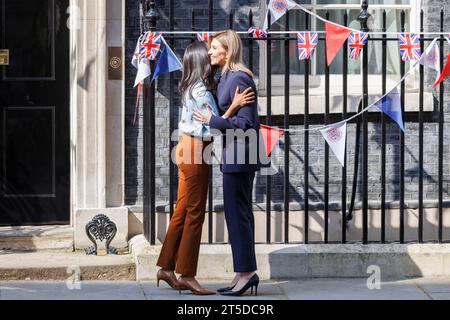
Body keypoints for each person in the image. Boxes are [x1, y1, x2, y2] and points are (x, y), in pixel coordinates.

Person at [156, 41, 255, 296]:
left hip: (185, 147)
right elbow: (213, 123)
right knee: (195, 213)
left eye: (214, 50)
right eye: (207, 53)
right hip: (196, 150)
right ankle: (187, 275)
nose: (210, 55)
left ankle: (166, 267)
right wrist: (234, 106)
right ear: (200, 61)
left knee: (181, 209)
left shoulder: (190, 85)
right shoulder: (200, 91)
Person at [193, 30, 261, 297]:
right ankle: (241, 272)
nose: (209, 52)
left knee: (239, 216)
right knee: (235, 216)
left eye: (214, 48)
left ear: (228, 52)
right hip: (233, 156)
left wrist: (213, 120)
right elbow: (227, 115)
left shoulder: (240, 78)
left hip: (242, 155)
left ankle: (247, 274)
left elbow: (245, 125)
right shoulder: (226, 78)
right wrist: (227, 110)